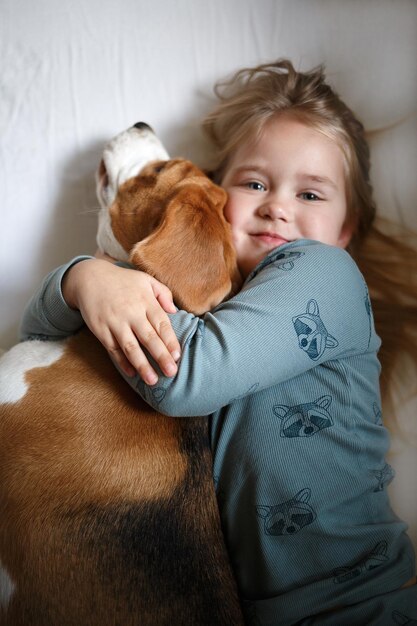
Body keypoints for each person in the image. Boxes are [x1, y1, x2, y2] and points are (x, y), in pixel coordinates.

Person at [20, 60, 417, 624]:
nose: (278, 205)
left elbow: (187, 376)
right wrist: (81, 280)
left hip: (359, 606)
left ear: (346, 230)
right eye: (254, 183)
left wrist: (110, 281)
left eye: (310, 194)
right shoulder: (214, 310)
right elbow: (36, 334)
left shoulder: (325, 274)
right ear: (215, 196)